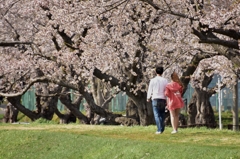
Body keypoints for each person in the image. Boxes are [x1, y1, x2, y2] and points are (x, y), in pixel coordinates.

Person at [147, 66, 168, 134]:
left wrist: (148, 97)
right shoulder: (165, 80)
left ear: (156, 72)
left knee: (156, 114)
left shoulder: (152, 80)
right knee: (162, 114)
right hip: (163, 98)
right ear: (162, 72)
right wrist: (167, 99)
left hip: (155, 98)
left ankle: (159, 129)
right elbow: (166, 90)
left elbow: (150, 89)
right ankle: (161, 127)